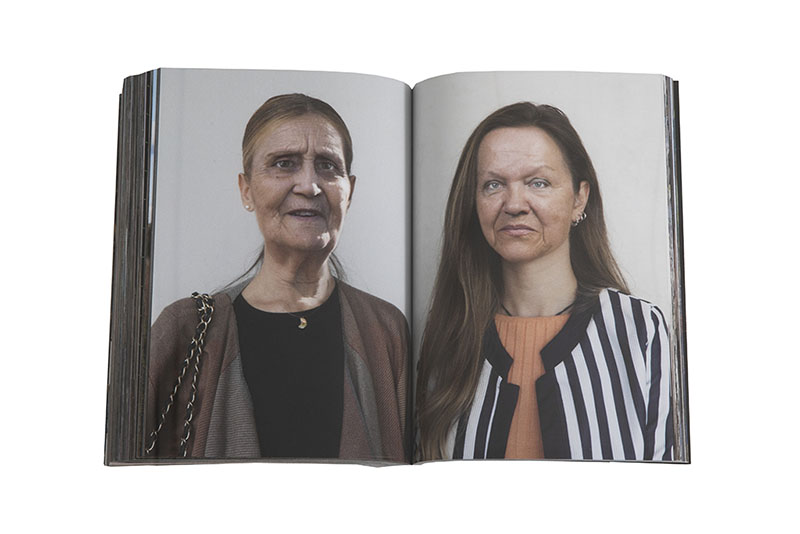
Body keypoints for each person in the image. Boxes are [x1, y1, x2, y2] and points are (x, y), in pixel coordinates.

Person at [146, 94, 409, 462]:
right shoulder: (183, 330)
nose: (309, 185)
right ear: (246, 190)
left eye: (327, 166)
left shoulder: (386, 330)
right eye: (284, 164)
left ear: (349, 192)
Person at [416, 102, 673, 461]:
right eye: (493, 185)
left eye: (538, 183)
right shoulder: (449, 338)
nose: (514, 204)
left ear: (579, 198)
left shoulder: (641, 330)